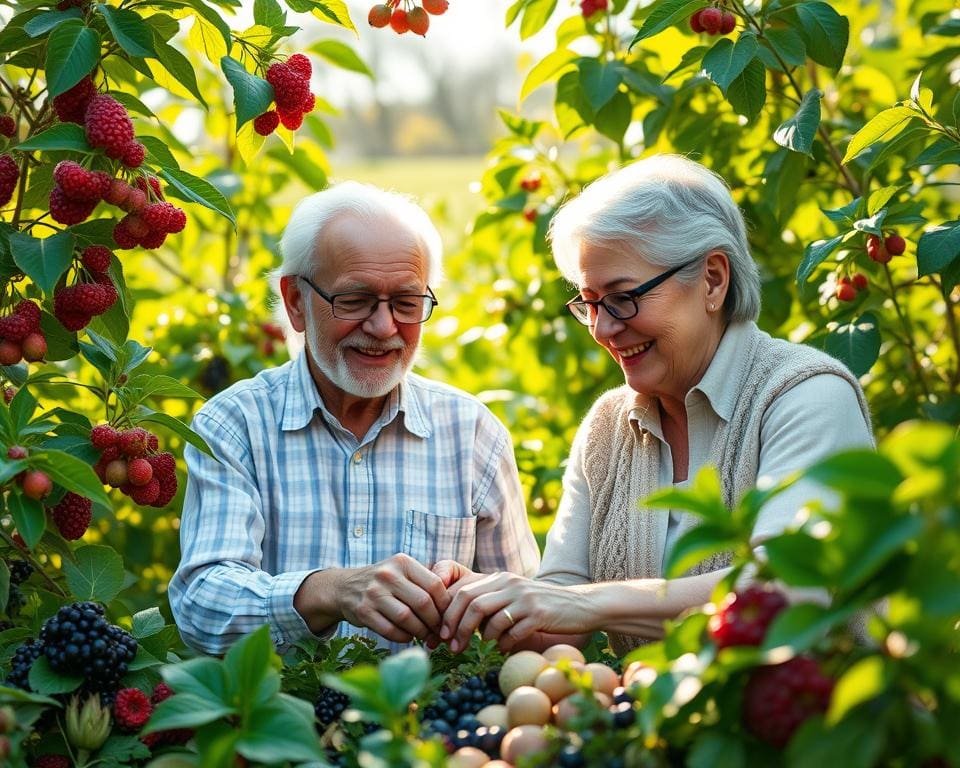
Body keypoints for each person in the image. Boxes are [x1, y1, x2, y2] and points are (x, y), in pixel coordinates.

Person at [435, 154, 874, 656]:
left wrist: (592, 604)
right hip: (661, 727)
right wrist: (472, 598)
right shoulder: (608, 428)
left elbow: (788, 591)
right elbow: (557, 613)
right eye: (589, 302)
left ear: (712, 279)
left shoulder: (806, 397)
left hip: (818, 725)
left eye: (622, 298)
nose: (602, 329)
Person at [169, 182, 540, 655]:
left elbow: (529, 624)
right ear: (296, 301)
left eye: (407, 302)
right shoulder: (236, 424)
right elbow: (202, 609)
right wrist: (328, 591)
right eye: (355, 300)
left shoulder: (470, 433)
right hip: (285, 723)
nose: (384, 327)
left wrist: (482, 604)